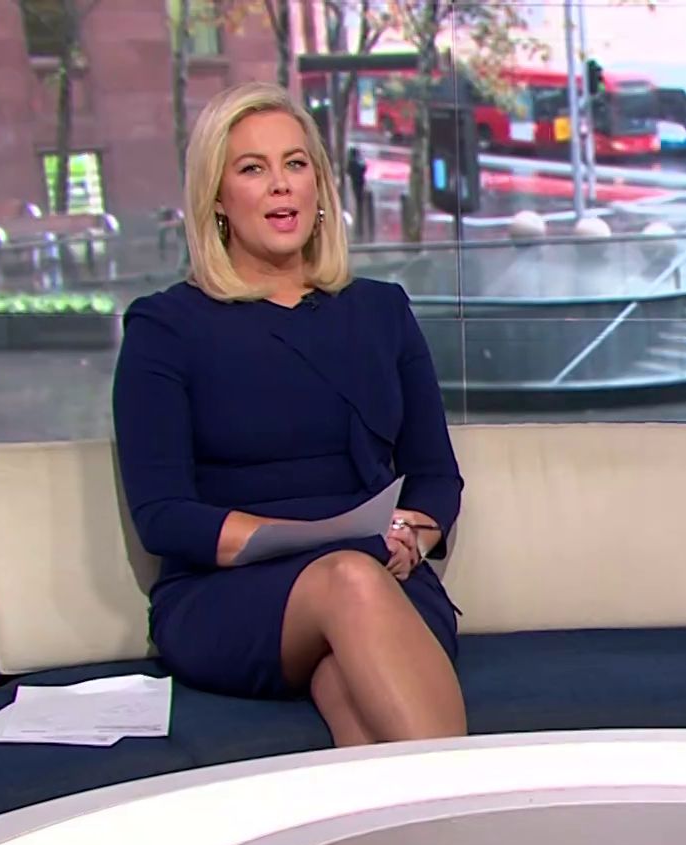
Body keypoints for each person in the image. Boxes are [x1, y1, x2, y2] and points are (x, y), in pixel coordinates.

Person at [112, 82, 466, 747]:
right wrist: (314, 543)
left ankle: (420, 817)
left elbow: (435, 475)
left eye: (295, 164)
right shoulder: (166, 329)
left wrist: (411, 539)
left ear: (319, 186)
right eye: (253, 168)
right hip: (231, 594)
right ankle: (475, 805)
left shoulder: (381, 311)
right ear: (217, 199)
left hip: (382, 576)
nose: (281, 185)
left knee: (349, 677)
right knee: (348, 581)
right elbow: (164, 515)